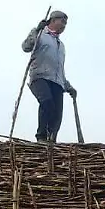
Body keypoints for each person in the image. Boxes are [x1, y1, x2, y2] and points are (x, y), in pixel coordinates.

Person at [21, 10, 76, 143]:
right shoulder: (40, 34)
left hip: (57, 81)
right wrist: (36, 31)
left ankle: (51, 140)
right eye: (62, 21)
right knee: (47, 102)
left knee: (57, 115)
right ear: (53, 20)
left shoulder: (60, 45)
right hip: (40, 76)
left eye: (66, 24)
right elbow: (26, 47)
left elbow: (60, 69)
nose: (64, 26)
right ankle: (41, 137)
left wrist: (68, 86)